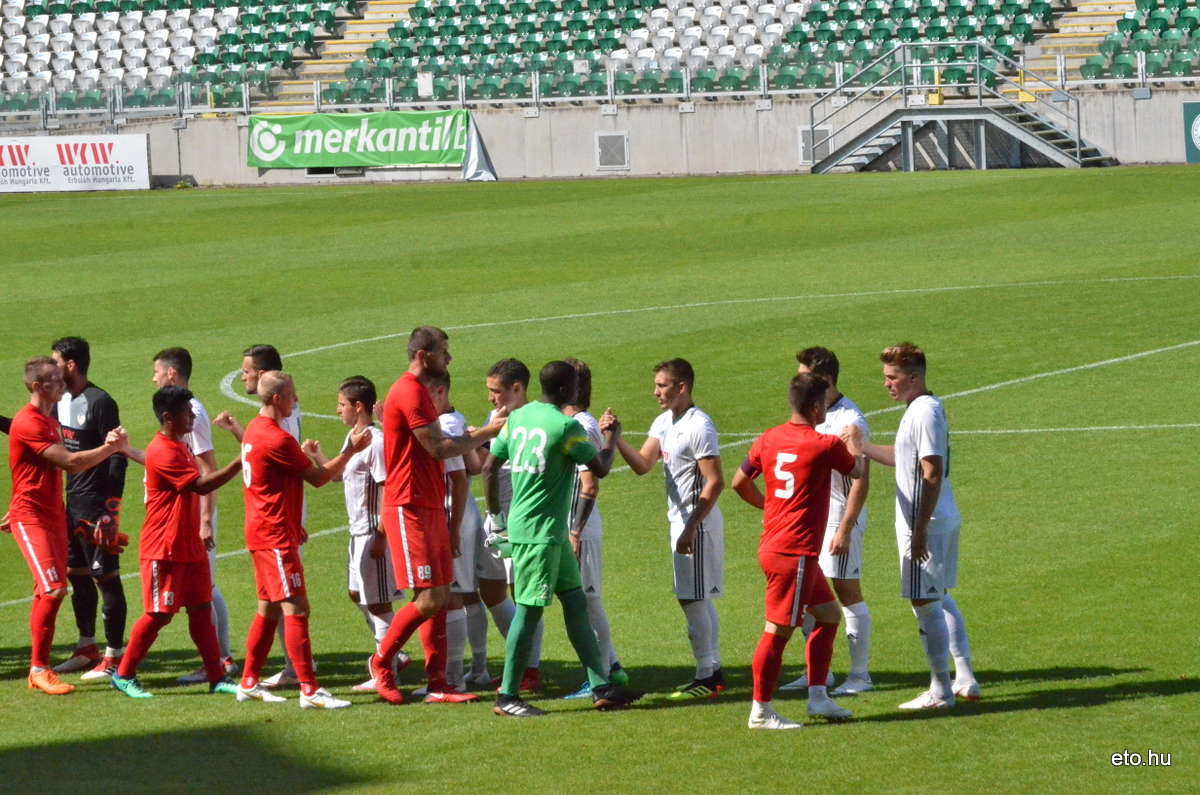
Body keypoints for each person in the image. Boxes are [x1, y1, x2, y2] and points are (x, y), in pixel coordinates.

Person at [486, 361, 645, 717]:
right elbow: (600, 468)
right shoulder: (565, 426)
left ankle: (600, 686)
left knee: (575, 603)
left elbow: (488, 468)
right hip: (539, 536)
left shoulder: (519, 418)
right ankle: (507, 696)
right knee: (528, 613)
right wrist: (610, 438)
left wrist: (497, 516)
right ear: (566, 391)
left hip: (547, 533)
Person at [368, 327, 506, 705]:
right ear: (424, 355)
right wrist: (488, 432)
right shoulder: (410, 391)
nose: (450, 358)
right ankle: (381, 663)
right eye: (444, 352)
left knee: (442, 596)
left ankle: (438, 683)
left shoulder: (419, 394)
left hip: (428, 503)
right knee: (429, 598)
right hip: (408, 504)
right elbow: (440, 448)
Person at [217, 370, 369, 709]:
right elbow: (318, 477)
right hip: (274, 536)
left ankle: (249, 682)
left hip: (261, 530)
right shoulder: (278, 438)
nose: (295, 400)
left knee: (268, 609)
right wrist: (350, 450)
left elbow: (273, 483)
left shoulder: (254, 430)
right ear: (276, 399)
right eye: (291, 395)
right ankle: (310, 690)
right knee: (297, 608)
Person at [841, 342, 980, 709]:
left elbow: (931, 473)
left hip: (927, 525)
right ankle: (964, 678)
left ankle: (940, 691)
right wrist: (863, 446)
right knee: (939, 598)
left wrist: (918, 531)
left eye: (892, 377)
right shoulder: (918, 409)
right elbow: (904, 458)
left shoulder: (923, 413)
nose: (886, 384)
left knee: (924, 604)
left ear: (913, 377)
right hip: (936, 520)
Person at [732, 372, 865, 729]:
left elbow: (738, 481)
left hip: (777, 546)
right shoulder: (825, 444)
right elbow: (858, 470)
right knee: (777, 632)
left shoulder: (769, 438)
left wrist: (770, 508)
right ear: (817, 406)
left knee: (828, 615)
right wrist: (854, 442)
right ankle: (760, 711)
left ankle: (819, 698)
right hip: (795, 554)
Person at [110, 386, 244, 699]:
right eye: (187, 411)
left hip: (189, 545)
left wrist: (128, 450)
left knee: (200, 608)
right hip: (164, 547)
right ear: (168, 417)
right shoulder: (167, 450)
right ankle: (123, 673)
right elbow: (199, 485)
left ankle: (216, 677)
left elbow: (154, 462)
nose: (193, 415)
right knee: (160, 614)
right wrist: (239, 462)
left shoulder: (176, 444)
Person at [3, 356, 128, 695]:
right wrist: (110, 447)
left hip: (53, 515)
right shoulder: (30, 422)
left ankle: (40, 667)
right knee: (55, 588)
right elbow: (70, 463)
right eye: (55, 381)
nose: (62, 384)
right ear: (37, 387)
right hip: (32, 517)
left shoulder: (47, 418)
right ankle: (39, 669)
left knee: (48, 590)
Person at [611, 358, 726, 698]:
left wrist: (691, 527)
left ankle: (708, 676)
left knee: (692, 597)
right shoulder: (664, 421)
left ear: (682, 387)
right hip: (681, 523)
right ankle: (712, 670)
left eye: (662, 385)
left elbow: (716, 482)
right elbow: (644, 464)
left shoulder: (699, 426)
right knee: (694, 597)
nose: (655, 392)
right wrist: (617, 439)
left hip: (697, 524)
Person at [303, 376, 408, 691]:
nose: (337, 410)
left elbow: (390, 490)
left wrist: (381, 535)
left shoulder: (375, 443)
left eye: (341, 404)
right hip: (356, 534)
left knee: (378, 604)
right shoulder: (354, 438)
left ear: (358, 406)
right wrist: (318, 456)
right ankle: (394, 654)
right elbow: (340, 477)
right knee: (356, 594)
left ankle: (387, 668)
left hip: (372, 534)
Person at [779, 347, 874, 695]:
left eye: (808, 376)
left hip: (840, 518)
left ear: (827, 381)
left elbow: (862, 478)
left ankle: (860, 676)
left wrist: (846, 527)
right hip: (815, 521)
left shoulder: (850, 420)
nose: (801, 382)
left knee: (847, 591)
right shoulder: (816, 411)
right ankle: (817, 672)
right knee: (806, 594)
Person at [148, 347, 239, 684]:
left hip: (196, 514)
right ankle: (219, 660)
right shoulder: (183, 412)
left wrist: (204, 519)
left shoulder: (192, 413)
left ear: (172, 374)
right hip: (189, 511)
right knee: (200, 594)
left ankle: (222, 659)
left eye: (157, 371)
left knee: (205, 590)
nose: (154, 377)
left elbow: (207, 466)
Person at [219, 344, 304, 688]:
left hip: (274, 520)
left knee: (281, 603)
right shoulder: (267, 425)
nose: (242, 377)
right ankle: (291, 676)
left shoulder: (273, 422)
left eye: (247, 371)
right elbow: (280, 457)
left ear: (265, 377)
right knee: (284, 603)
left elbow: (289, 463)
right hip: (275, 521)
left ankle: (286, 675)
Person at [50, 337, 130, 681]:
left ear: (71, 365)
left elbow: (117, 458)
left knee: (105, 578)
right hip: (71, 505)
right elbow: (35, 437)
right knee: (77, 576)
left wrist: (110, 511)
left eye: (55, 362)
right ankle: (87, 647)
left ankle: (115, 655)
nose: (51, 368)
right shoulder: (60, 401)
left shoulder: (99, 402)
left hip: (96, 507)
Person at [428, 372, 507, 692]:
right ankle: (479, 668)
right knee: (469, 594)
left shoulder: (446, 426)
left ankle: (455, 678)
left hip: (455, 515)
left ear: (440, 391)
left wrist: (452, 529)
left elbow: (461, 479)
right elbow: (475, 467)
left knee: (454, 596)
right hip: (465, 515)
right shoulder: (455, 419)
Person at [561, 358, 628, 698]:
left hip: (580, 526)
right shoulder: (578, 422)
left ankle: (599, 674)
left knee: (587, 600)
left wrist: (573, 532)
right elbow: (601, 463)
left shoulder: (580, 425)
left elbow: (590, 484)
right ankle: (612, 666)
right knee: (585, 599)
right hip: (576, 524)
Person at [479, 358, 537, 691]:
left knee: (522, 592)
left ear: (516, 389)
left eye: (496, 391)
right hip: (496, 519)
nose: (490, 398)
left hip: (516, 523)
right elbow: (482, 464)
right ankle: (518, 660)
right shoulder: (495, 418)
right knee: (490, 586)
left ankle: (529, 669)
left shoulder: (529, 422)